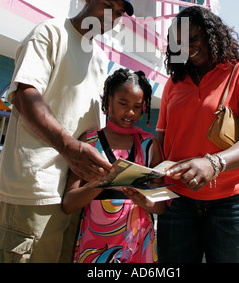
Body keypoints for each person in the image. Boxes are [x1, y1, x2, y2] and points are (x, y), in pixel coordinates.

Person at [0, 0, 134, 264]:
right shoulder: (50, 33)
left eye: (117, 14)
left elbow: (88, 126)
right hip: (35, 187)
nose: (111, 17)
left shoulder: (99, 58)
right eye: (106, 6)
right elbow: (25, 94)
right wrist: (67, 147)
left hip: (73, 193)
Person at [156, 6, 239, 263]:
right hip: (178, 202)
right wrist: (149, 179)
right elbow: (161, 143)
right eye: (179, 43)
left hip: (234, 203)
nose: (187, 47)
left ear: (212, 35)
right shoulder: (173, 84)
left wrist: (213, 162)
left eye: (193, 38)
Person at [62, 68, 165, 263]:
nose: (130, 112)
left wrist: (143, 201)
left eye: (137, 106)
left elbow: (160, 207)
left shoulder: (149, 145)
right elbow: (68, 204)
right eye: (123, 104)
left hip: (139, 244)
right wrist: (102, 182)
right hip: (95, 246)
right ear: (109, 99)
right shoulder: (89, 142)